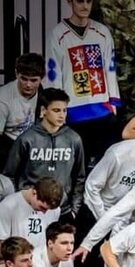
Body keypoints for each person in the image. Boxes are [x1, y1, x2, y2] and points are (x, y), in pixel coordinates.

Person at [44, 0, 120, 162]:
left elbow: (110, 68)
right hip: (72, 112)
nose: (85, 6)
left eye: (89, 1)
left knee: (105, 163)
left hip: (102, 110)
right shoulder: (57, 34)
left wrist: (113, 102)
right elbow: (53, 73)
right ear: (70, 2)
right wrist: (58, 109)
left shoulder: (102, 32)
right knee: (77, 165)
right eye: (79, 1)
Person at [4, 88, 85, 221]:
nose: (62, 115)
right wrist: (18, 204)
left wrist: (74, 210)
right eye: (56, 110)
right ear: (43, 111)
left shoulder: (74, 139)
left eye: (64, 110)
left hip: (61, 210)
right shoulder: (26, 139)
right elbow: (9, 175)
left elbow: (79, 177)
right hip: (30, 208)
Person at [91, 0, 135, 124]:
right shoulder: (98, 3)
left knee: (127, 126)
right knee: (101, 126)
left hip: (129, 80)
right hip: (99, 78)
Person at [0, 53, 46, 168]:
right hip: (7, 146)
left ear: (42, 78)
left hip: (33, 145)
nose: (28, 85)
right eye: (24, 79)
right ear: (16, 74)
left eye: (34, 80)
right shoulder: (3, 98)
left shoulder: (42, 93)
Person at [0, 178, 63, 249]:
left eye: (48, 209)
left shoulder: (55, 210)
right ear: (34, 193)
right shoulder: (8, 206)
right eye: (42, 207)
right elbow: (2, 242)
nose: (44, 212)